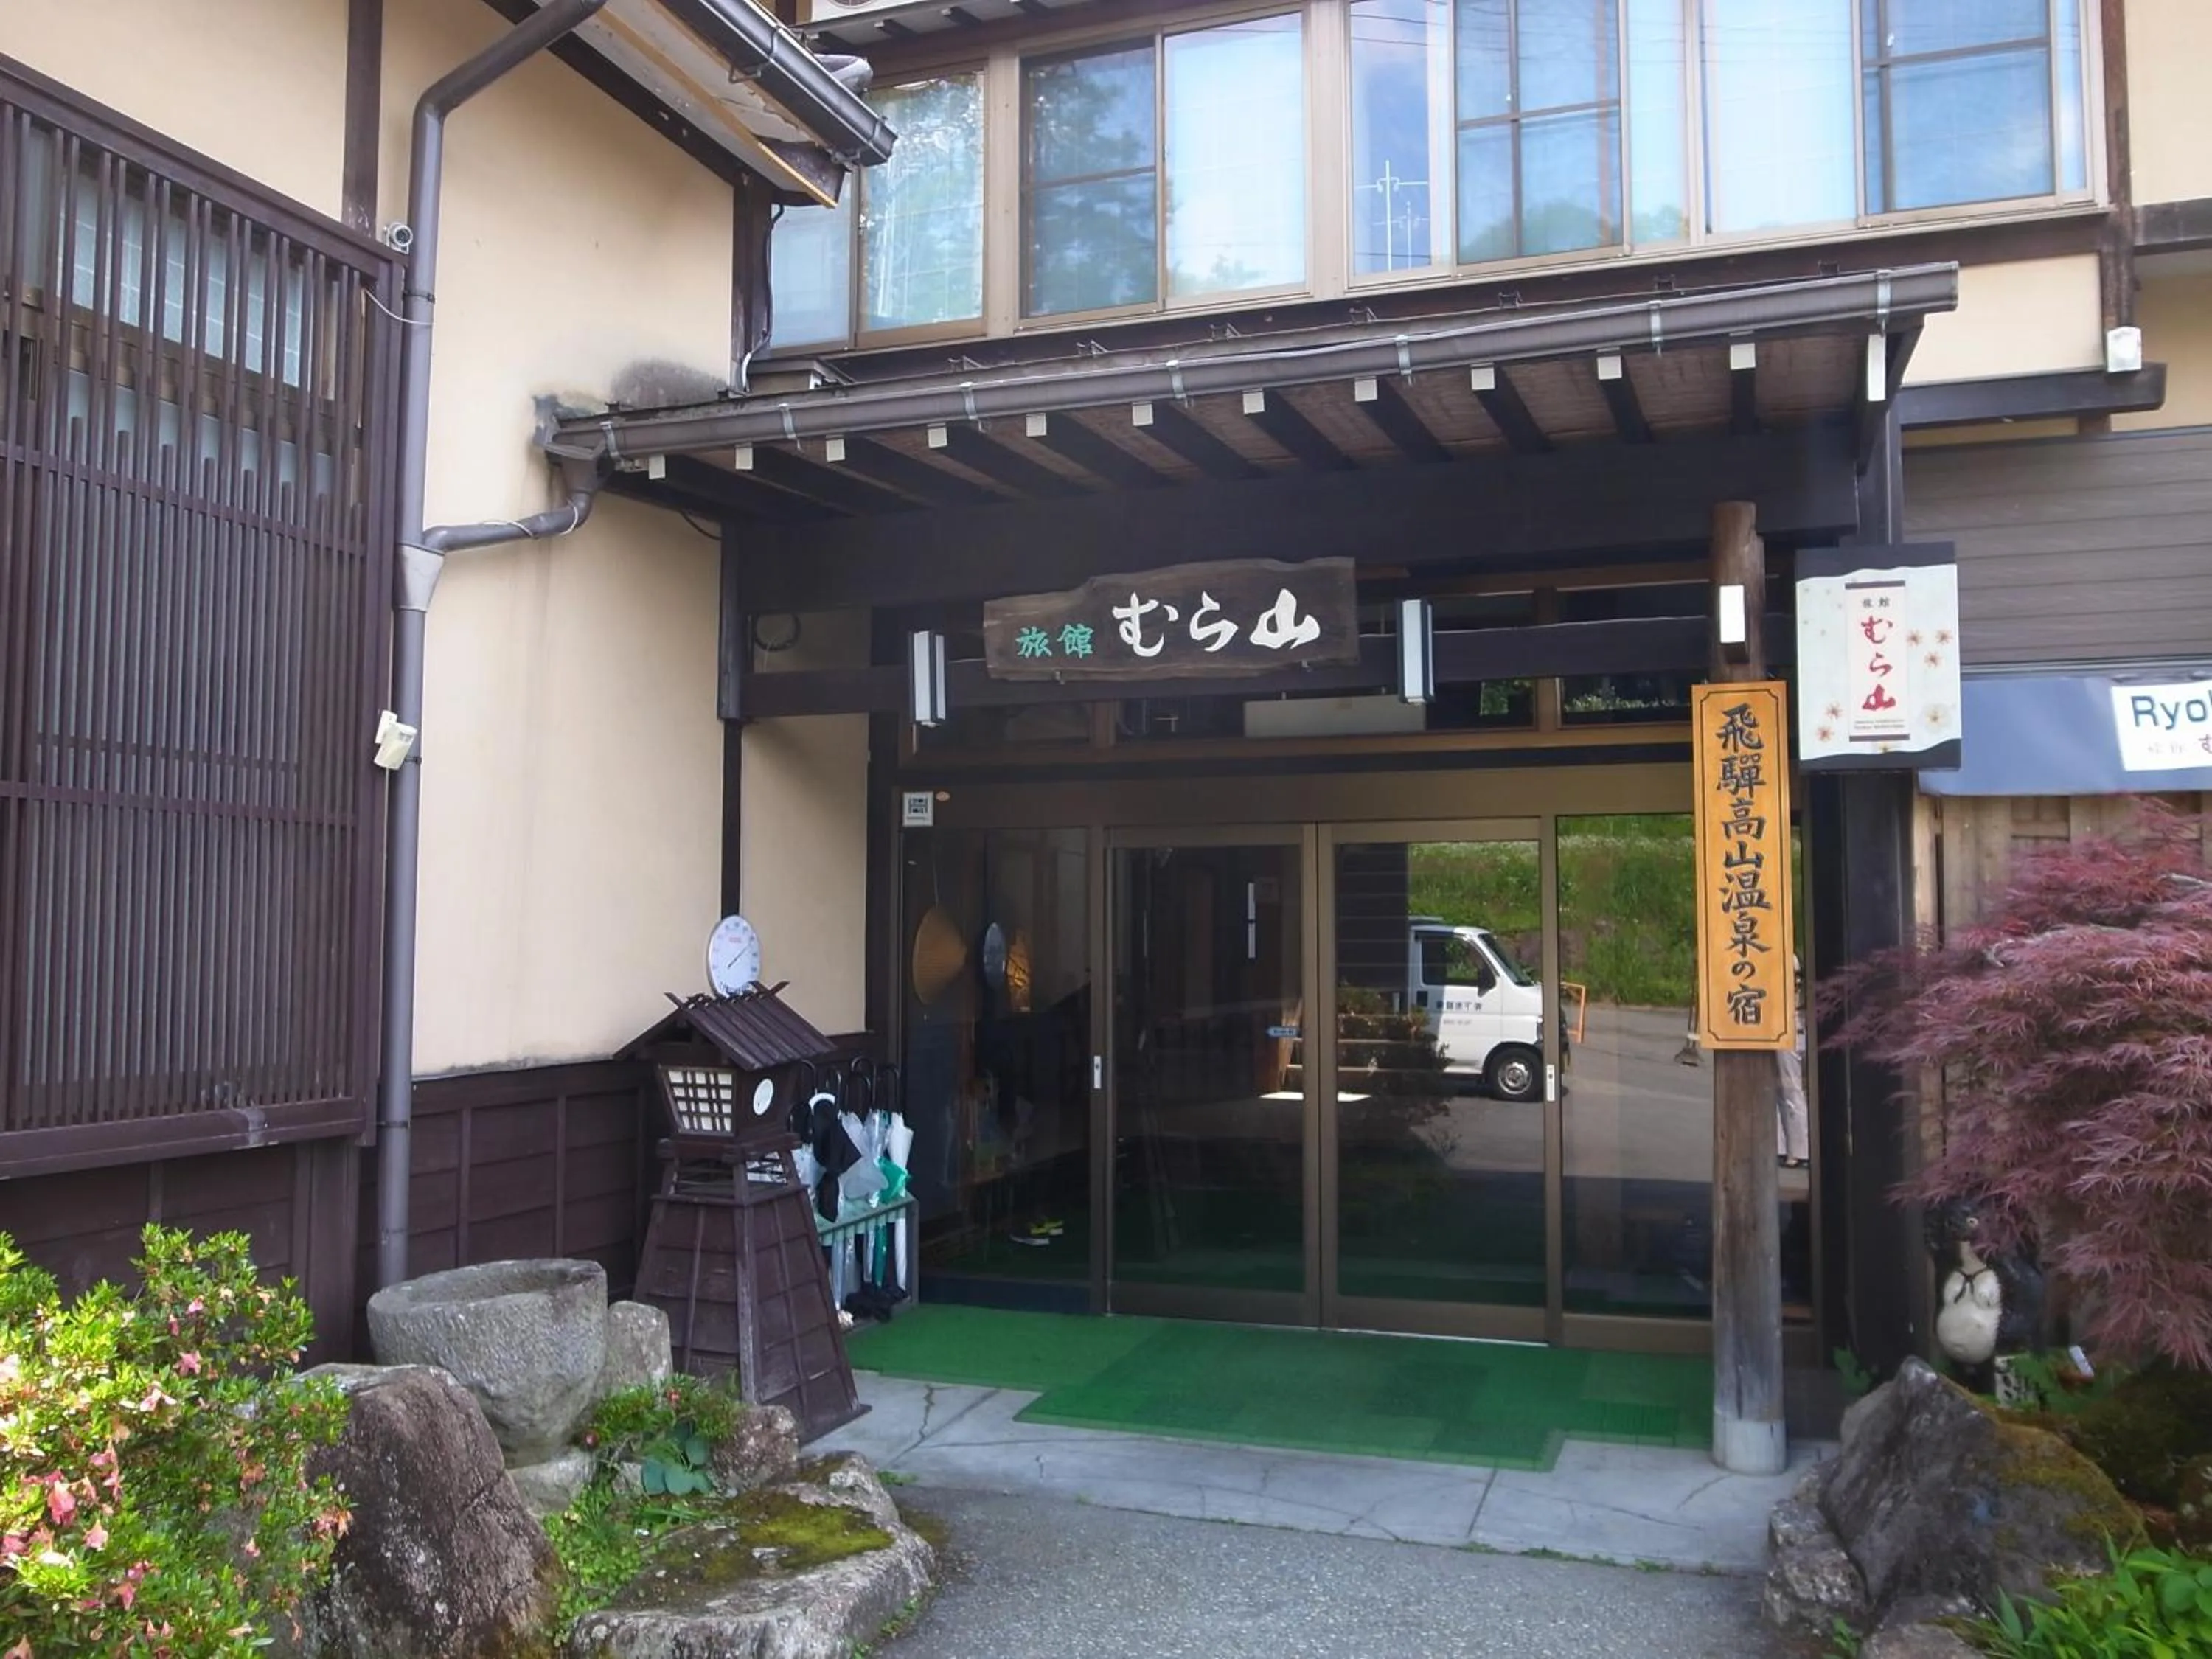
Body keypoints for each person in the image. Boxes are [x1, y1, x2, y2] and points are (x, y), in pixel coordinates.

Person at [1776, 953, 1809, 1168]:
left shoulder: (1787, 958)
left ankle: (1800, 1149)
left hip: (1790, 1028)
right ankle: (1782, 1145)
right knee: (1779, 1088)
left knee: (1791, 1089)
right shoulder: (1787, 956)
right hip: (1788, 1026)